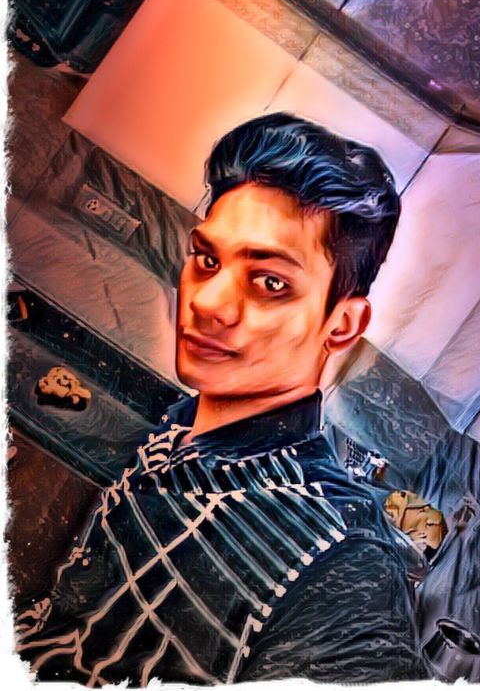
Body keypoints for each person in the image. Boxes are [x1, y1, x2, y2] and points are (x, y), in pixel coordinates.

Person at [14, 113, 428, 685]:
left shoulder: (338, 557)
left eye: (270, 283)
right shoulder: (183, 424)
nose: (208, 302)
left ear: (341, 324)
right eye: (208, 260)